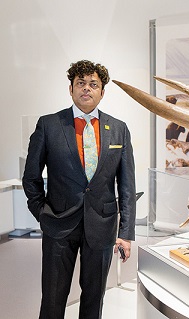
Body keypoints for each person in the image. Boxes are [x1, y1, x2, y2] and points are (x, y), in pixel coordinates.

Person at [22, 60, 136, 319]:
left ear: (102, 92)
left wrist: (126, 232)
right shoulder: (49, 125)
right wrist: (42, 213)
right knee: (52, 299)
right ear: (71, 89)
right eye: (81, 83)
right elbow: (31, 177)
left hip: (103, 226)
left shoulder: (119, 129)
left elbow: (127, 184)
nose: (87, 89)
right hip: (58, 224)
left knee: (94, 301)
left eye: (93, 84)